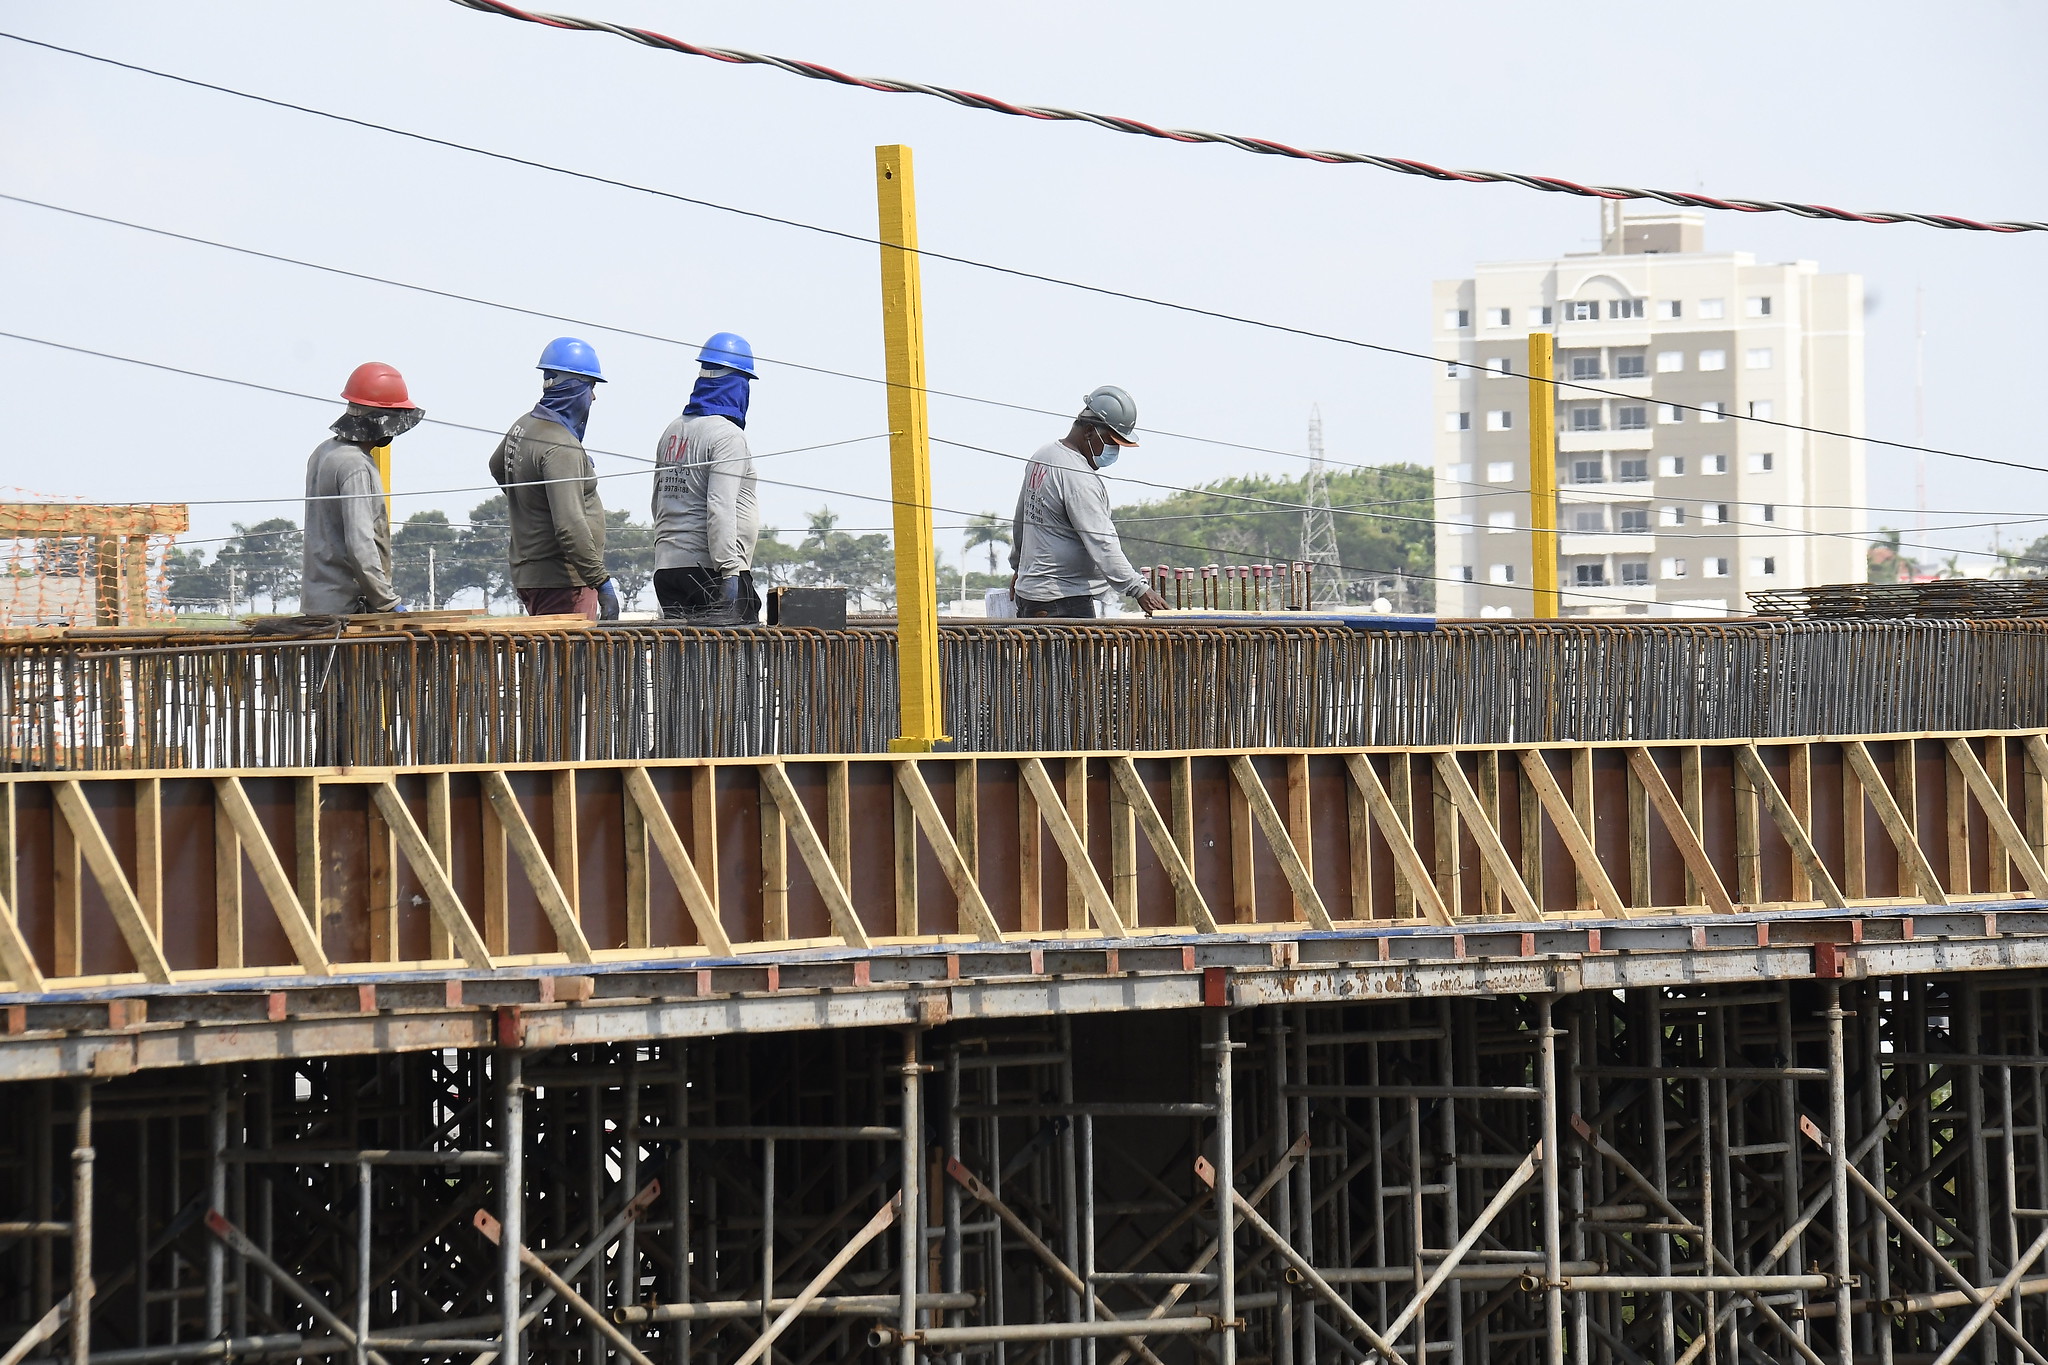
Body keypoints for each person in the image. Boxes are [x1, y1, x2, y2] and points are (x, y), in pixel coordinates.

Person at [1008, 386, 1169, 618]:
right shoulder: (1078, 477)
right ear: (1089, 431)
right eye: (1111, 442)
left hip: (1033, 596)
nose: (1114, 451)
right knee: (1076, 657)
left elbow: (1021, 521)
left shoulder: (1043, 456)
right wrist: (1139, 588)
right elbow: (1102, 542)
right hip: (1063, 601)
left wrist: (1019, 568)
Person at [490, 337, 619, 621]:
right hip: (564, 580)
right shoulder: (561, 446)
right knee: (570, 665)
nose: (593, 398)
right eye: (591, 387)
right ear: (575, 387)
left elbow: (497, 467)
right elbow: (570, 526)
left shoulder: (523, 425)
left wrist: (533, 505)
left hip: (531, 574)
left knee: (550, 662)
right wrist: (602, 583)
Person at [651, 332, 762, 623]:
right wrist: (730, 572)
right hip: (712, 572)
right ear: (738, 384)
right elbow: (720, 506)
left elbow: (658, 502)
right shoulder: (727, 436)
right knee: (735, 664)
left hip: (667, 570)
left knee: (679, 664)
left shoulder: (672, 431)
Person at [301, 362, 423, 615]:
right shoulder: (355, 465)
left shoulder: (323, 452)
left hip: (318, 603)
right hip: (348, 610)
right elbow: (360, 545)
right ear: (384, 423)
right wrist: (388, 602)